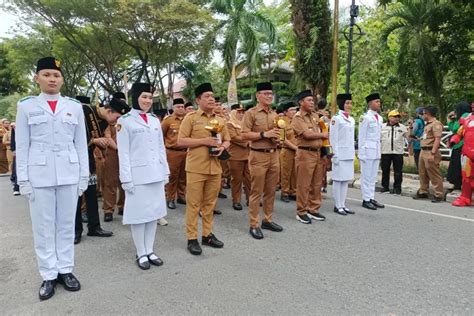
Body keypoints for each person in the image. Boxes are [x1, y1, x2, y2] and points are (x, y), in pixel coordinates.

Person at [16, 57, 89, 300]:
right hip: (40, 174)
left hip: (68, 173)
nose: (52, 79)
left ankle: (66, 270)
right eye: (46, 74)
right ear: (37, 78)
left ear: (62, 79)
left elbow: (80, 145)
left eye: (56, 75)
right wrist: (23, 179)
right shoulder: (26, 106)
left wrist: (83, 176)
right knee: (44, 227)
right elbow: (23, 145)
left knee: (67, 225)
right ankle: (48, 274)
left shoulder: (74, 106)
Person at [117, 82, 169, 269]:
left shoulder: (155, 120)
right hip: (137, 176)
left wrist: (165, 171)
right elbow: (123, 153)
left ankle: (150, 250)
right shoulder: (125, 121)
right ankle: (141, 252)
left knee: (154, 214)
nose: (147, 101)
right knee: (139, 216)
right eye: (144, 97)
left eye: (149, 97)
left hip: (155, 173)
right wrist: (126, 179)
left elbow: (161, 148)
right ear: (135, 98)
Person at [177, 83, 230, 255]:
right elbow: (181, 141)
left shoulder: (220, 120)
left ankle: (207, 235)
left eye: (213, 96)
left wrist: (223, 147)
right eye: (207, 96)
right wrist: (204, 141)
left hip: (215, 168)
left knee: (209, 205)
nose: (212, 98)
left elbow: (228, 140)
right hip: (196, 168)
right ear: (198, 100)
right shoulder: (191, 118)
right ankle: (191, 238)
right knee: (193, 205)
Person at [242, 82, 283, 239]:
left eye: (270, 93)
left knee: (271, 190)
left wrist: (278, 139)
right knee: (256, 191)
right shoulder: (251, 113)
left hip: (274, 154)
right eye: (265, 93)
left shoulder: (275, 115)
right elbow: (244, 134)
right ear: (258, 95)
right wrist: (264, 135)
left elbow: (278, 134)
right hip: (258, 155)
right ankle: (254, 224)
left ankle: (268, 219)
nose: (269, 96)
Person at [74, 96, 115, 244]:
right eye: (115, 117)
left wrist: (104, 144)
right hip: (74, 160)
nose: (115, 122)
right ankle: (76, 231)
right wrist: (94, 141)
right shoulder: (82, 111)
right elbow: (72, 137)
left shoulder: (104, 120)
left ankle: (94, 227)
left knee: (91, 193)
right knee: (77, 196)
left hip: (89, 160)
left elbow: (106, 137)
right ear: (109, 111)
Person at [291, 90, 327, 224]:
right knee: (304, 184)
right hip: (305, 153)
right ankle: (301, 211)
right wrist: (322, 135)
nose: (312, 102)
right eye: (309, 100)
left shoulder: (315, 116)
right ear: (301, 102)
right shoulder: (298, 117)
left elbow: (319, 130)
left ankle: (314, 209)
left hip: (317, 152)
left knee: (317, 183)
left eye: (312, 100)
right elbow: (307, 134)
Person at [101, 96, 130, 222]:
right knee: (110, 182)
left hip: (126, 155)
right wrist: (119, 149)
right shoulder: (109, 121)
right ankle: (108, 209)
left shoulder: (126, 121)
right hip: (113, 153)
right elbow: (108, 137)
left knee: (124, 181)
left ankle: (123, 206)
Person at [330, 94, 356, 215]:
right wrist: (334, 154)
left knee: (345, 180)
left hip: (349, 153)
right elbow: (333, 138)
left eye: (350, 103)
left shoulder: (351, 119)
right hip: (339, 153)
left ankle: (343, 204)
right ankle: (337, 205)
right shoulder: (336, 118)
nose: (349, 105)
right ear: (341, 104)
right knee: (337, 180)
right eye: (347, 103)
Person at [358, 93, 385, 210]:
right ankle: (365, 199)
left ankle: (371, 197)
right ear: (370, 104)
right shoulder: (365, 117)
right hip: (367, 150)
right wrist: (361, 153)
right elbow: (362, 136)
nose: (378, 103)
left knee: (373, 176)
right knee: (366, 176)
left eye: (379, 101)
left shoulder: (380, 118)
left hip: (376, 150)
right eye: (376, 101)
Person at [413, 106, 445, 202]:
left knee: (434, 173)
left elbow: (437, 139)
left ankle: (438, 194)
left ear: (428, 113)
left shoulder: (436, 124)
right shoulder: (427, 124)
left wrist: (433, 153)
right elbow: (427, 137)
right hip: (423, 150)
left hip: (430, 151)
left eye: (423, 113)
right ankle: (423, 191)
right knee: (422, 172)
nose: (422, 115)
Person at [162, 98, 188, 210]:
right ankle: (170, 198)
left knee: (184, 176)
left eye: (182, 107)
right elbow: (161, 135)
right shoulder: (168, 120)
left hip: (186, 151)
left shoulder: (187, 120)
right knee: (172, 176)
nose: (181, 109)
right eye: (178, 107)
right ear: (173, 108)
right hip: (173, 152)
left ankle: (181, 196)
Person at [227, 104, 250, 210]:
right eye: (238, 112)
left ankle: (250, 199)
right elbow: (233, 137)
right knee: (237, 179)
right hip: (236, 156)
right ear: (233, 113)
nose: (241, 114)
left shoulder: (247, 124)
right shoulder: (229, 123)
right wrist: (248, 142)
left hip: (249, 155)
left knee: (249, 178)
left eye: (242, 112)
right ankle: (236, 200)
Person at [451, 102, 474, 206]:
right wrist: (454, 140)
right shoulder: (467, 119)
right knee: (466, 178)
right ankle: (465, 197)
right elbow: (459, 133)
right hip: (467, 154)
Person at [380, 110, 409, 195]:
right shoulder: (382, 126)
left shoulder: (402, 127)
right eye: (395, 116)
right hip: (385, 151)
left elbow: (408, 137)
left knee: (398, 171)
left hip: (398, 152)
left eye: (398, 117)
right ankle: (385, 187)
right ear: (389, 117)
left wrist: (410, 128)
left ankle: (397, 188)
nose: (397, 118)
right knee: (385, 170)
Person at [447, 101, 471, 190]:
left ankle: (457, 184)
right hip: (466, 144)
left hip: (461, 145)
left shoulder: (464, 116)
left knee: (457, 166)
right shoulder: (468, 115)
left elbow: (455, 129)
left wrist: (449, 119)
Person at [279, 101, 298, 203]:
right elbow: (283, 139)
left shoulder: (296, 121)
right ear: (286, 112)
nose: (294, 111)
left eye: (295, 109)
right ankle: (285, 192)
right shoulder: (282, 122)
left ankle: (293, 191)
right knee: (286, 172)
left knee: (295, 172)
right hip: (287, 150)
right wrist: (295, 148)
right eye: (291, 110)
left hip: (297, 150)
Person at [9, 123, 20, 195]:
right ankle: (16, 188)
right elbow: (13, 139)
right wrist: (13, 149)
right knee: (17, 169)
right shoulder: (14, 126)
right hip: (18, 150)